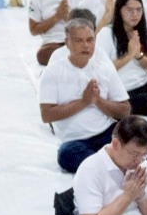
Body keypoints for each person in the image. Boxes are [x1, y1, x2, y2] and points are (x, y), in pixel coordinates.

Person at [39, 11, 130, 172]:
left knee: (139, 139)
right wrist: (84, 102)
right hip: (75, 140)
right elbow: (47, 115)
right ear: (67, 43)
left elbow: (125, 110)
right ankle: (112, 163)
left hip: (106, 132)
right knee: (67, 155)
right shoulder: (53, 71)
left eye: (90, 40)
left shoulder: (103, 65)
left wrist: (98, 101)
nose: (85, 45)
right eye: (79, 41)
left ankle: (107, 162)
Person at [95, 0, 147, 116]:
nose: (135, 14)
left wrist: (139, 56)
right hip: (124, 92)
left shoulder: (145, 30)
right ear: (119, 11)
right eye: (129, 10)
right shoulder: (106, 33)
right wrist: (129, 56)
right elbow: (100, 71)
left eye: (138, 10)